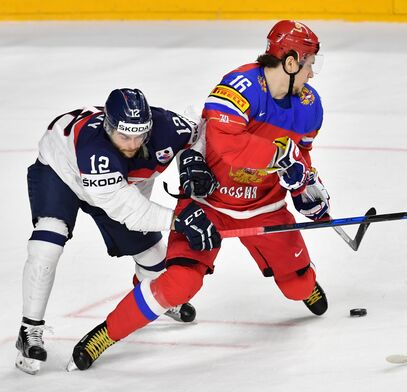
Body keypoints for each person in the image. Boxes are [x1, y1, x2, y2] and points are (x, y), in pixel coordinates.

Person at [68, 20, 330, 371]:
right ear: (291, 61)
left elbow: (303, 156)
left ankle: (302, 278)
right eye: (310, 62)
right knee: (179, 283)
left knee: (298, 289)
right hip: (208, 204)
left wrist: (306, 186)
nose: (313, 73)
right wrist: (283, 157)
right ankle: (107, 332)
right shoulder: (238, 86)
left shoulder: (310, 105)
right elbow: (227, 146)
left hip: (265, 206)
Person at [15, 88, 221, 375]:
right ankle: (29, 330)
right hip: (61, 174)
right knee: (47, 244)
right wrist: (179, 219)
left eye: (140, 135)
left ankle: (147, 289)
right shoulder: (94, 150)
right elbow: (131, 212)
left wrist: (191, 160)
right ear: (108, 127)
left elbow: (202, 129)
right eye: (124, 136)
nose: (133, 143)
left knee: (153, 257)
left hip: (120, 188)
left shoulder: (167, 127)